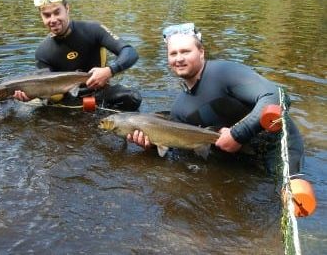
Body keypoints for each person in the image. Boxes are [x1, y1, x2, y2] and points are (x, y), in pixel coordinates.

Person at [127, 23, 304, 175]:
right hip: (242, 167)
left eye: (185, 51)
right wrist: (150, 144)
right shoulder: (179, 109)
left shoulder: (224, 72)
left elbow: (277, 97)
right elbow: (173, 150)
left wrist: (238, 134)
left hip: (280, 149)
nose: (179, 58)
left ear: (201, 52)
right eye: (173, 54)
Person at [13, 0, 142, 111]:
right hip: (68, 102)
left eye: (57, 12)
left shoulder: (93, 29)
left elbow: (130, 53)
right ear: (41, 17)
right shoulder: (42, 52)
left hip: (100, 93)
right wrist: (32, 94)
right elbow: (53, 95)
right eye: (47, 15)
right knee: (40, 115)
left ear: (67, 9)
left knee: (132, 97)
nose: (53, 20)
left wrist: (109, 71)